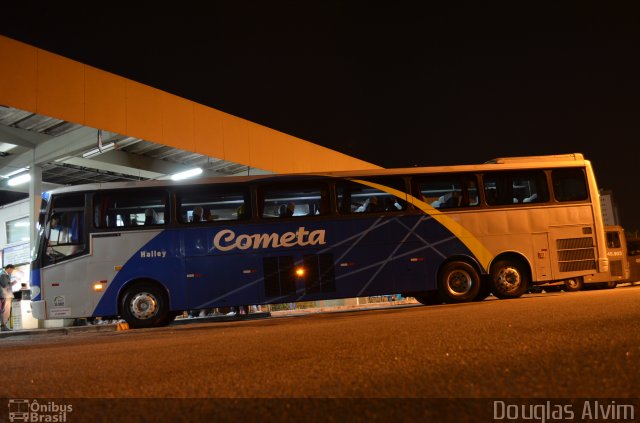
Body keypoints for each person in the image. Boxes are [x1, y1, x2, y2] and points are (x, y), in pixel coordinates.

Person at [0, 264, 16, 331]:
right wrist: (12, 283)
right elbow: (5, 284)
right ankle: (3, 326)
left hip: (5, 294)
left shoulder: (3, 274)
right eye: (12, 270)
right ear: (9, 268)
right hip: (5, 295)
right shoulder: (3, 274)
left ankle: (4, 326)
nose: (11, 271)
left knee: (5, 311)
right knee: (5, 311)